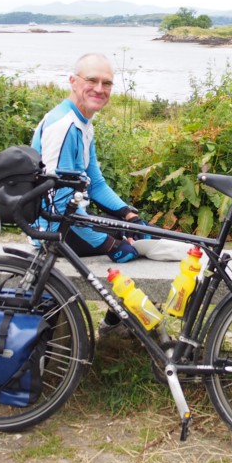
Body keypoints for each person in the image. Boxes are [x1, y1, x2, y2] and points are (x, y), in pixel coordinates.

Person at [31, 52, 145, 335]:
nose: (99, 88)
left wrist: (127, 214)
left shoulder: (82, 122)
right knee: (133, 249)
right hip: (53, 229)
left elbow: (94, 183)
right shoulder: (64, 126)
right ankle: (117, 325)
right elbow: (57, 205)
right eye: (92, 80)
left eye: (107, 83)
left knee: (140, 231)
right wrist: (109, 244)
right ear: (72, 81)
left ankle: (116, 322)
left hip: (71, 219)